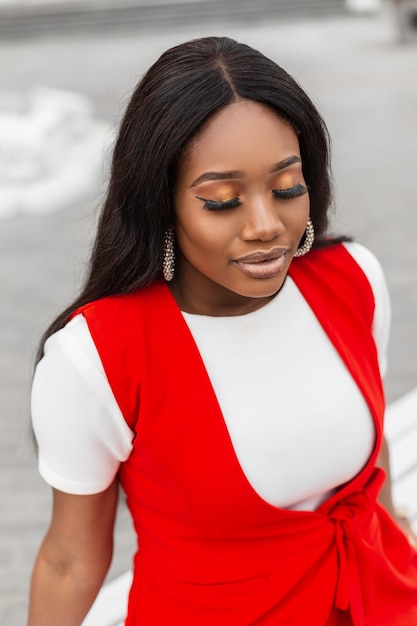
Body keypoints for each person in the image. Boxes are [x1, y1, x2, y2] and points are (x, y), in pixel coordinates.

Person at [27, 36, 417, 626]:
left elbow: (373, 463)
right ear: (160, 203)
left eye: (287, 188)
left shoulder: (351, 281)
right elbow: (70, 561)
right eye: (221, 201)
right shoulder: (95, 357)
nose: (267, 225)